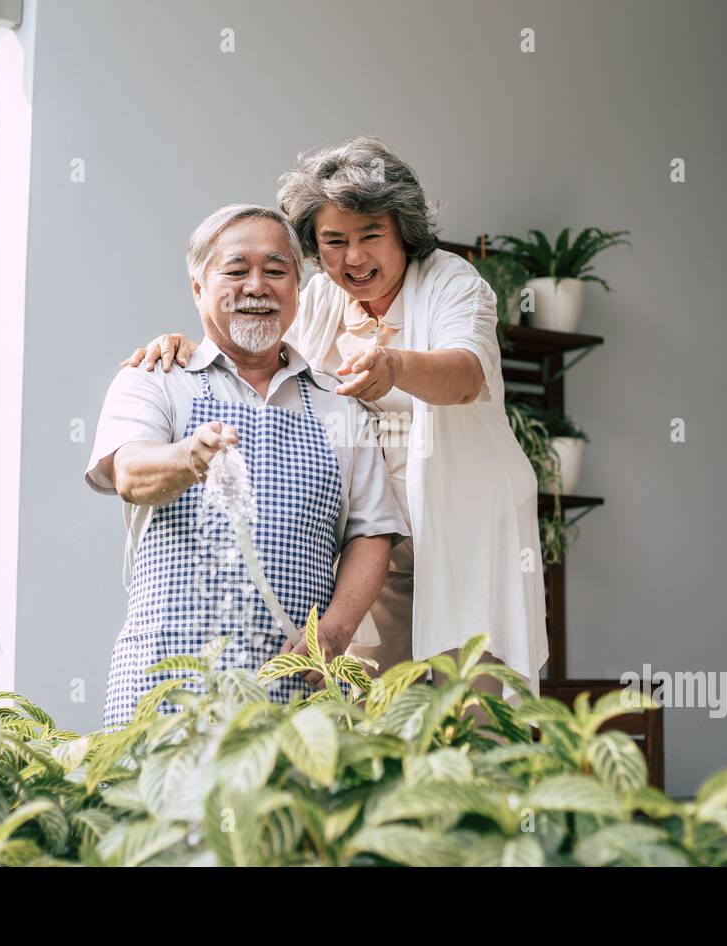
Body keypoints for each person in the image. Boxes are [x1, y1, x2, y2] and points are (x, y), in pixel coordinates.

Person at [123, 137, 547, 702]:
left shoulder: (450, 280)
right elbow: (260, 359)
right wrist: (189, 343)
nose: (353, 258)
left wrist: (394, 365)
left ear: (404, 232)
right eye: (333, 241)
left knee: (471, 706)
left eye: (370, 235)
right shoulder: (318, 297)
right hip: (372, 543)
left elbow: (467, 376)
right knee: (372, 716)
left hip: (463, 532)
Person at [86, 203, 407, 727]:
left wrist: (336, 629)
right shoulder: (155, 378)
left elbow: (372, 533)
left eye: (276, 271)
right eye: (236, 271)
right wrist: (188, 456)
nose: (257, 286)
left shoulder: (340, 405)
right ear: (198, 287)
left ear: (298, 290)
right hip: (168, 682)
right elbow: (129, 472)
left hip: (295, 688)